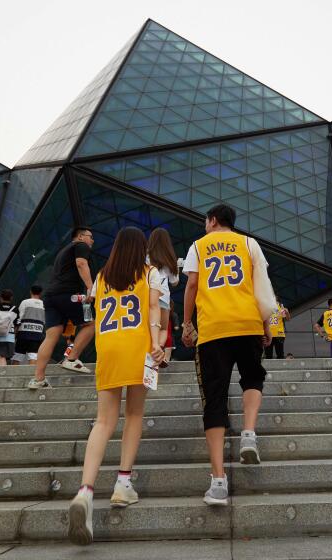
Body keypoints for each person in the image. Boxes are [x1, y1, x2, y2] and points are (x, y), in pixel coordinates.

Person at [67, 227, 164, 546]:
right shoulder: (148, 273)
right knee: (133, 415)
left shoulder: (102, 275)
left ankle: (85, 490)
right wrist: (157, 343)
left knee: (103, 421)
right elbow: (153, 311)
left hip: (107, 349)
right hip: (137, 347)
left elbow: (93, 305)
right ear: (141, 249)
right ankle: (123, 483)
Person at [181, 204, 271, 506]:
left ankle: (218, 482)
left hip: (213, 330)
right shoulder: (249, 243)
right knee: (253, 377)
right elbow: (262, 287)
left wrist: (186, 323)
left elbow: (192, 284)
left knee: (214, 397)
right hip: (247, 323)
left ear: (213, 220)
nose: (204, 224)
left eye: (205, 220)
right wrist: (266, 323)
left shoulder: (198, 245)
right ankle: (248, 433)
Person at [29, 227, 97, 389]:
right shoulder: (81, 245)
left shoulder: (63, 252)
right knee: (91, 324)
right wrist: (90, 288)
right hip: (68, 294)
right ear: (80, 237)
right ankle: (72, 359)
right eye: (90, 237)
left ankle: (38, 379)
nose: (92, 240)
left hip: (51, 295)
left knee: (51, 335)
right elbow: (81, 263)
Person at [147, 227, 179, 367]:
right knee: (163, 329)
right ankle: (158, 349)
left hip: (148, 295)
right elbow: (174, 282)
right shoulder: (170, 258)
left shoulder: (146, 256)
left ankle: (150, 351)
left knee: (148, 328)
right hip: (164, 297)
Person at [15, 285, 45, 365]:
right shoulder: (44, 304)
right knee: (33, 355)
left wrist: (15, 331)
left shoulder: (25, 302)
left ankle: (13, 376)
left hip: (23, 332)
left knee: (17, 355)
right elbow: (45, 321)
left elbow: (19, 318)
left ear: (30, 291)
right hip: (37, 333)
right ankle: (31, 375)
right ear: (41, 293)